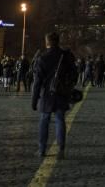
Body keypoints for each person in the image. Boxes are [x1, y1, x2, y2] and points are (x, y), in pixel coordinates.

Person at [31, 32, 78, 160]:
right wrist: (68, 85)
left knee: (44, 120)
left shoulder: (42, 58)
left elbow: (37, 82)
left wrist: (34, 100)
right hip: (61, 93)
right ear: (58, 41)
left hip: (47, 94)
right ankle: (61, 149)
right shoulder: (66, 55)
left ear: (47, 42)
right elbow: (75, 74)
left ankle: (42, 149)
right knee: (60, 120)